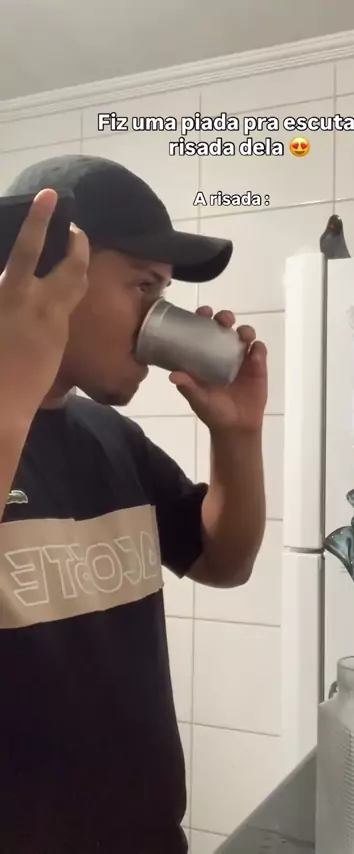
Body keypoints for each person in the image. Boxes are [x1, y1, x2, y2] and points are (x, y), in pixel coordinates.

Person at [0, 155, 267, 853]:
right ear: (47, 275)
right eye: (143, 286)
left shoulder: (109, 436)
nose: (160, 320)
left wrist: (237, 435)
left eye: (164, 292)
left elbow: (223, 562)